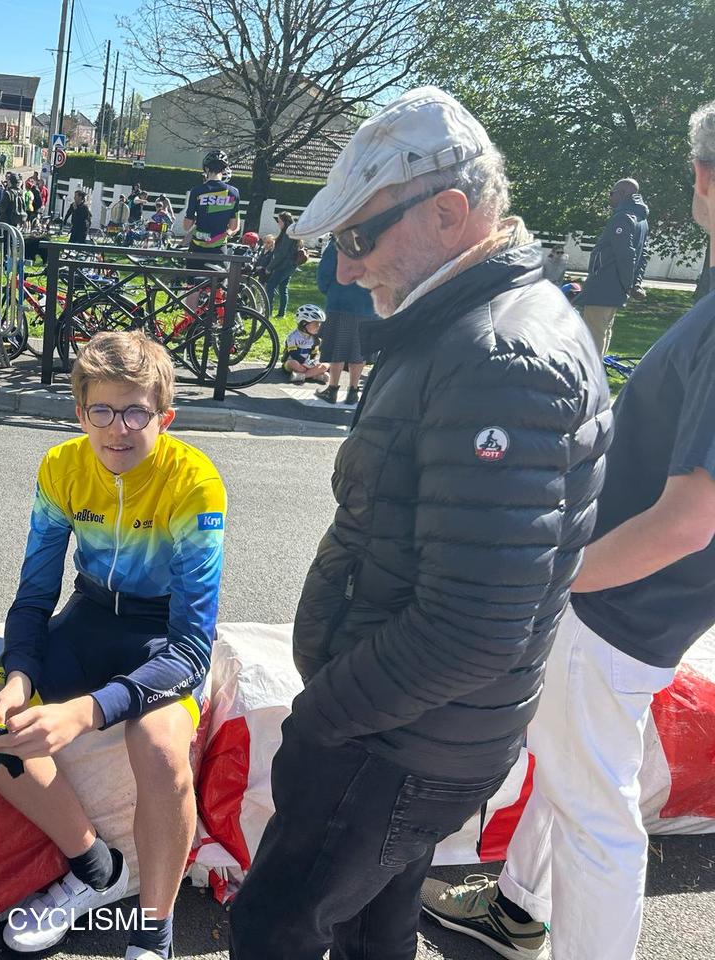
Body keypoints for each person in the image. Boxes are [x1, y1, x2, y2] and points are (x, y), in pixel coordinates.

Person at [227, 86, 610, 960]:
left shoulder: (496, 355)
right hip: (417, 728)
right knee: (373, 927)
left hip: (395, 739)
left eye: (359, 237)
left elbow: (474, 624)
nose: (345, 268)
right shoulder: (475, 326)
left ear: (449, 212)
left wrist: (323, 715)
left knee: (275, 927)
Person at [419, 97, 715, 960]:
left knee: (597, 811)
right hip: (647, 606)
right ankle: (518, 906)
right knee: (575, 766)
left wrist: (557, 576)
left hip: (616, 601)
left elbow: (688, 520)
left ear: (703, 179)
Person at [0, 329, 226, 960]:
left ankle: (154, 932)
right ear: (80, 414)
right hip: (88, 615)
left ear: (164, 418)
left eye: (136, 413)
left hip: (160, 636)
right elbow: (33, 596)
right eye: (102, 411)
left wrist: (87, 712)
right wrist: (18, 676)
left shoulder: (195, 482)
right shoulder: (61, 466)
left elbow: (191, 647)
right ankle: (94, 866)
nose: (117, 430)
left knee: (160, 748)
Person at [576, 178, 650, 354]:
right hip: (615, 288)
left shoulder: (623, 218)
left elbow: (626, 254)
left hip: (604, 285)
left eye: (612, 193)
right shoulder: (641, 220)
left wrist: (629, 284)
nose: (610, 197)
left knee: (593, 333)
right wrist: (634, 283)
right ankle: (597, 366)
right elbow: (643, 255)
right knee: (604, 330)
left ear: (623, 193)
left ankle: (591, 369)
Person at [313, 236, 373, 404]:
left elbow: (325, 271)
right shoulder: (377, 240)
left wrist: (328, 290)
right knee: (359, 349)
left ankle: (332, 389)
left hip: (341, 300)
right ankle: (353, 391)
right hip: (368, 302)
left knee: (337, 346)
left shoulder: (339, 241)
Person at [182, 150, 241, 313]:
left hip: (197, 247)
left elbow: (187, 226)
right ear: (224, 169)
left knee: (192, 287)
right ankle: (216, 321)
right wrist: (226, 233)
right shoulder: (233, 192)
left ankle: (189, 322)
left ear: (206, 169)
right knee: (219, 288)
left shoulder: (197, 191)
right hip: (219, 248)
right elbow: (234, 226)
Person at [281, 304, 330, 384]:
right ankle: (314, 375)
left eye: (320, 324)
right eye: (316, 324)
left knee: (326, 365)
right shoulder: (293, 336)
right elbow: (293, 354)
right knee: (293, 363)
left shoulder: (316, 339)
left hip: (308, 363)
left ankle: (302, 376)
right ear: (304, 323)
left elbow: (314, 354)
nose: (319, 326)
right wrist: (306, 364)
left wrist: (314, 362)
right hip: (294, 362)